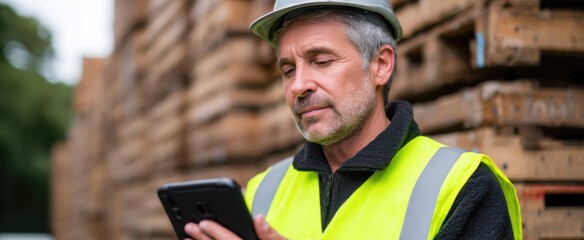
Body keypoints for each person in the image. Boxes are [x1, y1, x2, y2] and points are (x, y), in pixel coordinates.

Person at [184, 0, 522, 239]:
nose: (298, 85)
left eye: (321, 61)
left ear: (381, 65)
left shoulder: (463, 187)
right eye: (288, 69)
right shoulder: (260, 193)